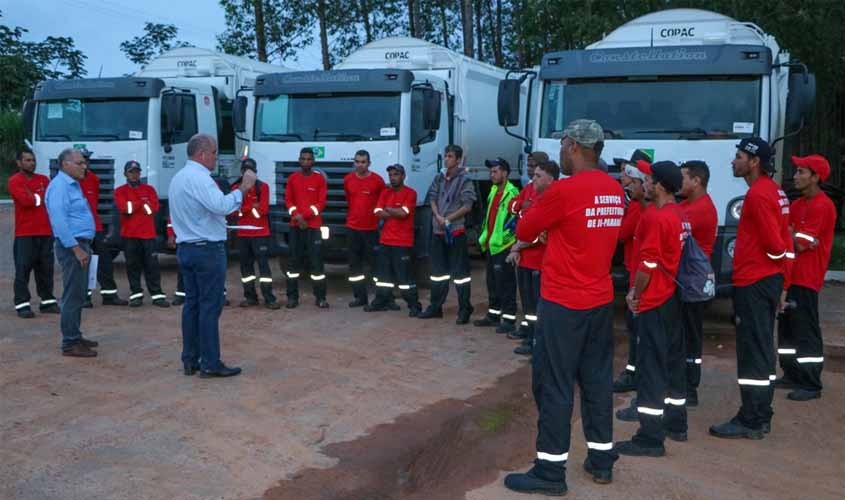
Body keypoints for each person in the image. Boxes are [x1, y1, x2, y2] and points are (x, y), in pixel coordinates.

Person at [505, 120, 623, 495]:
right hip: (600, 301)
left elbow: (524, 231)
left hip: (563, 302)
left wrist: (535, 214)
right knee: (597, 381)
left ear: (572, 145)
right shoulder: (615, 189)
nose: (559, 151)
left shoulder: (565, 190)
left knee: (554, 385)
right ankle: (602, 460)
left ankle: (550, 472)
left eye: (561, 145)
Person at [710, 137, 793, 439]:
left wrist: (771, 267)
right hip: (767, 280)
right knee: (761, 348)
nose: (734, 161)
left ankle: (752, 419)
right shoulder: (775, 191)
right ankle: (760, 413)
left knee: (752, 351)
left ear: (754, 162)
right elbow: (786, 242)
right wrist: (782, 279)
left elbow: (775, 244)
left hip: (755, 282)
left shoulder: (758, 195)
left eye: (739, 155)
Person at [615, 161, 687, 456]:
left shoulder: (658, 218)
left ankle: (650, 437)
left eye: (646, 179)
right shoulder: (678, 214)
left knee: (652, 369)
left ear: (658, 185)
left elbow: (647, 265)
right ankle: (675, 424)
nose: (643, 183)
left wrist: (635, 292)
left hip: (654, 300)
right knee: (671, 365)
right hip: (669, 298)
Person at [168, 133, 255, 378]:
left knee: (193, 306)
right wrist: (244, 189)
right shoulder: (200, 179)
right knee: (209, 307)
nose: (217, 158)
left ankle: (191, 359)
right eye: (215, 152)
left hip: (187, 248)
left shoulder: (178, 178)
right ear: (202, 154)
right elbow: (223, 206)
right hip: (206, 250)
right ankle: (209, 362)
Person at [777, 155, 837, 401]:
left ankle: (811, 383)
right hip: (790, 277)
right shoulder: (799, 204)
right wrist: (789, 233)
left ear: (816, 177)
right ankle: (791, 374)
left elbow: (800, 243)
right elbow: (789, 235)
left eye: (802, 172)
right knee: (787, 330)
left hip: (806, 278)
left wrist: (789, 233)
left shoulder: (823, 206)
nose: (796, 176)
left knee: (806, 331)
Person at [45, 148, 98, 357]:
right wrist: (76, 249)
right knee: (72, 294)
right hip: (73, 247)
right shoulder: (60, 187)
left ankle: (75, 335)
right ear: (65, 164)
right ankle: (70, 342)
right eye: (79, 163)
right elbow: (59, 222)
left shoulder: (72, 186)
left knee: (79, 293)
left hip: (80, 244)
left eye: (84, 163)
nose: (84, 166)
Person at [419, 145, 477, 324]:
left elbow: (467, 206)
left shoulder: (465, 180)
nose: (446, 159)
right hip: (438, 232)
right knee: (437, 273)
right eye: (445, 156)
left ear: (458, 160)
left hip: (455, 232)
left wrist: (448, 219)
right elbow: (432, 198)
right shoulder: (439, 177)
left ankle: (464, 309)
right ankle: (435, 307)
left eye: (450, 156)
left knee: (460, 275)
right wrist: (438, 216)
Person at [506, 160, 559, 356]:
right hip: (525, 258)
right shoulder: (529, 190)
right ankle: (530, 336)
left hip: (539, 260)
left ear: (550, 178)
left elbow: (542, 232)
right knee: (528, 304)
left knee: (539, 305)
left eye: (538, 175)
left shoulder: (552, 197)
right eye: (533, 174)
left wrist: (519, 246)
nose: (533, 178)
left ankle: (538, 342)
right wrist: (521, 205)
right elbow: (512, 207)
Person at [612, 150, 652, 393]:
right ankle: (634, 372)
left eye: (631, 177)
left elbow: (621, 234)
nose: (624, 179)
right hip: (636, 271)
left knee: (638, 328)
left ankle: (636, 374)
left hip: (639, 274)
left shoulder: (639, 209)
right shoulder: (639, 206)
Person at [678, 160, 718, 406]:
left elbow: (670, 221)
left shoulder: (700, 209)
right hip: (689, 279)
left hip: (693, 281)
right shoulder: (689, 204)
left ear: (696, 181)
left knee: (690, 335)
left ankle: (689, 388)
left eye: (682, 177)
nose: (678, 182)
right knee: (686, 333)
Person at [8, 150, 59, 318]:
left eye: (33, 160)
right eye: (28, 160)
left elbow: (50, 199)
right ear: (19, 163)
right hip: (25, 234)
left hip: (45, 232)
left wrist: (35, 197)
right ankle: (22, 304)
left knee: (45, 269)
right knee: (23, 270)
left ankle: (48, 302)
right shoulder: (14, 181)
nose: (32, 163)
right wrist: (39, 198)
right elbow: (26, 201)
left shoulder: (43, 179)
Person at [366, 164, 422, 315]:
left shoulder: (411, 193)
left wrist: (389, 210)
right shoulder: (385, 192)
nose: (392, 177)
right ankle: (381, 301)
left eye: (396, 174)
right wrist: (394, 211)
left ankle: (414, 305)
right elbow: (377, 211)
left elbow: (404, 213)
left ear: (403, 176)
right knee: (383, 276)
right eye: (390, 175)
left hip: (402, 242)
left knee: (405, 278)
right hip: (385, 240)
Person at [473, 158, 519, 334]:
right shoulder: (493, 191)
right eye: (491, 171)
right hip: (492, 244)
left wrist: (509, 241)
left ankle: (508, 319)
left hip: (503, 246)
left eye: (496, 171)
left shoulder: (512, 193)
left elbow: (514, 222)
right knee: (492, 282)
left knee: (506, 284)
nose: (492, 175)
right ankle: (493, 315)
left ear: (505, 173)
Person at [114, 161, 169, 308]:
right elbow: (126, 209)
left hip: (147, 235)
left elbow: (153, 209)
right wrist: (142, 203)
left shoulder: (149, 189)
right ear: (125, 174)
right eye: (131, 172)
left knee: (152, 266)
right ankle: (136, 295)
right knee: (133, 266)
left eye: (136, 171)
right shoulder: (119, 191)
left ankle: (157, 296)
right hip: (129, 236)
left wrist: (135, 203)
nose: (134, 174)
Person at [78, 148, 127, 308]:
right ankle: (84, 297)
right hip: (80, 230)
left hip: (96, 227)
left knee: (104, 261)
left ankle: (109, 295)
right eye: (82, 161)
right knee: (83, 263)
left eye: (87, 161)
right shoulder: (70, 180)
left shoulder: (94, 179)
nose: (85, 164)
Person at [231, 158, 280, 310]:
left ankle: (269, 298)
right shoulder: (235, 188)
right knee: (246, 269)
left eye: (251, 171)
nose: (248, 174)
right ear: (241, 172)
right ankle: (250, 297)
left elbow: (264, 210)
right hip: (243, 234)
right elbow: (233, 212)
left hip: (260, 234)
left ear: (255, 173)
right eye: (245, 171)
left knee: (264, 267)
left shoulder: (262, 187)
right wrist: (252, 207)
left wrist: (244, 209)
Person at [285, 147, 329, 309]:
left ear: (313, 161)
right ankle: (292, 298)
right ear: (299, 160)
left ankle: (320, 298)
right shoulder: (292, 178)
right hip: (295, 226)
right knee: (293, 264)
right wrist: (296, 215)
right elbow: (288, 201)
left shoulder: (319, 180)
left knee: (316, 263)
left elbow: (321, 203)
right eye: (303, 159)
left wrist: (305, 216)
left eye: (309, 159)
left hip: (313, 227)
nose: (306, 162)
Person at [343, 150, 385, 307]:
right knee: (355, 266)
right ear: (354, 162)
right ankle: (360, 297)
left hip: (371, 229)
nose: (360, 165)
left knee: (375, 265)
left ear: (369, 163)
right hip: (353, 228)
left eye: (363, 162)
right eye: (357, 161)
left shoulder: (377, 181)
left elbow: (382, 201)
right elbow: (349, 199)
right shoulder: (348, 180)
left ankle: (381, 297)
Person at [165, 216, 185, 305]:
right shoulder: (180, 201)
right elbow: (172, 217)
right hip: (185, 237)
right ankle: (181, 294)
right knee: (183, 267)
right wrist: (171, 234)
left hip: (206, 237)